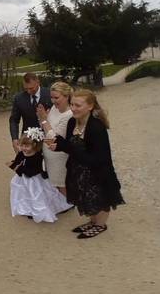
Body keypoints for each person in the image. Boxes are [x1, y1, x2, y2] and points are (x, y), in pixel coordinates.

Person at [47, 89, 124, 239]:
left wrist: (67, 147)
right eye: (72, 104)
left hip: (97, 171)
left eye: (78, 105)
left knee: (99, 199)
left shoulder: (96, 128)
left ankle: (100, 225)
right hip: (78, 169)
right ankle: (93, 221)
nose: (73, 108)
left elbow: (97, 158)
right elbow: (70, 145)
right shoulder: (71, 122)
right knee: (86, 198)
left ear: (90, 106)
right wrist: (58, 145)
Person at [8, 132, 72, 223]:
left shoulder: (37, 156)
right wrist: (15, 165)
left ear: (34, 145)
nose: (23, 148)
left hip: (35, 179)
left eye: (26, 146)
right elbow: (17, 161)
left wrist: (19, 169)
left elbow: (34, 171)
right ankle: (27, 209)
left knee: (36, 194)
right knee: (24, 192)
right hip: (23, 177)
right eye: (22, 145)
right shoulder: (21, 153)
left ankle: (41, 209)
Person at [35, 81, 73, 196]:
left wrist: (44, 120)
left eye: (56, 97)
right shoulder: (54, 108)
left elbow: (55, 137)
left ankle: (70, 204)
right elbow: (46, 127)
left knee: (63, 185)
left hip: (60, 157)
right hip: (49, 156)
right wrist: (42, 118)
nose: (53, 101)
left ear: (67, 97)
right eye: (51, 97)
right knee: (55, 185)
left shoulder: (69, 115)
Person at [8, 72, 51, 153]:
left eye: (31, 88)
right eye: (26, 88)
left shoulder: (50, 94)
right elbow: (14, 120)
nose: (28, 91)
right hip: (27, 141)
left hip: (47, 138)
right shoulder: (19, 98)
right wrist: (14, 139)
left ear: (38, 82)